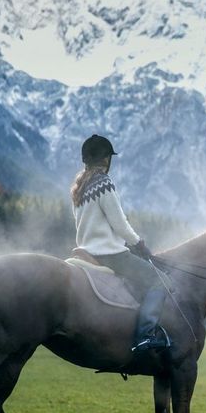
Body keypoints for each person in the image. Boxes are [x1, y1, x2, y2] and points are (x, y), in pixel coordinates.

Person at [71, 134, 168, 352]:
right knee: (159, 281)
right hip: (109, 253)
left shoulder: (79, 188)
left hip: (85, 251)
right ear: (106, 159)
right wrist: (141, 246)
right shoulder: (104, 183)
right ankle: (145, 335)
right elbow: (120, 224)